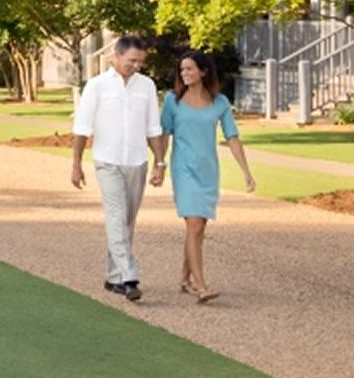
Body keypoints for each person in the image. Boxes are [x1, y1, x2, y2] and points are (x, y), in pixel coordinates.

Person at [69, 35, 166, 302]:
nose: (136, 65)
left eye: (140, 62)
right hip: (107, 161)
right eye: (132, 60)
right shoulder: (97, 86)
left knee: (126, 221)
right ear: (117, 56)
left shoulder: (146, 86)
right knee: (115, 216)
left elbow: (153, 129)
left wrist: (160, 163)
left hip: (137, 161)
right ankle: (129, 275)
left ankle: (114, 278)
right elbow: (82, 128)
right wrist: (76, 164)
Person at [157, 50, 256, 303]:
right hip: (183, 169)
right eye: (182, 70)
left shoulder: (220, 102)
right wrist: (159, 165)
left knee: (198, 230)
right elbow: (164, 134)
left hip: (208, 171)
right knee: (194, 225)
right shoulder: (172, 101)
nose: (185, 74)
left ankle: (185, 279)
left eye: (190, 69)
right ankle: (202, 287)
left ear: (203, 71)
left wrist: (246, 172)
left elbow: (232, 136)